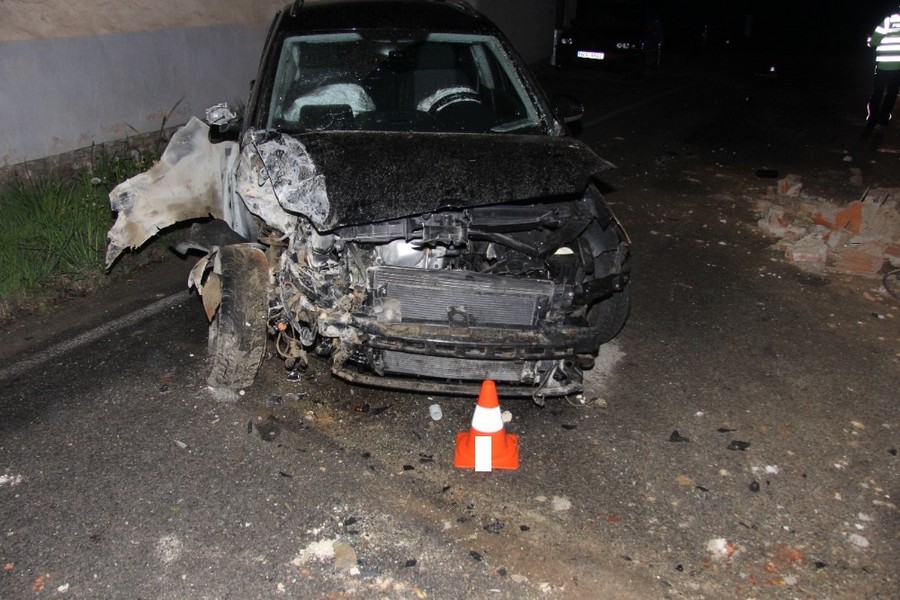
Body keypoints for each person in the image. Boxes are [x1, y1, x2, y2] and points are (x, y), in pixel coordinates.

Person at [866, 6, 900, 129]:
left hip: (882, 65)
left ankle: (872, 119)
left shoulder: (887, 21)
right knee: (892, 93)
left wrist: (869, 41)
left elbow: (874, 42)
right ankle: (884, 119)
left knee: (877, 92)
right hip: (898, 67)